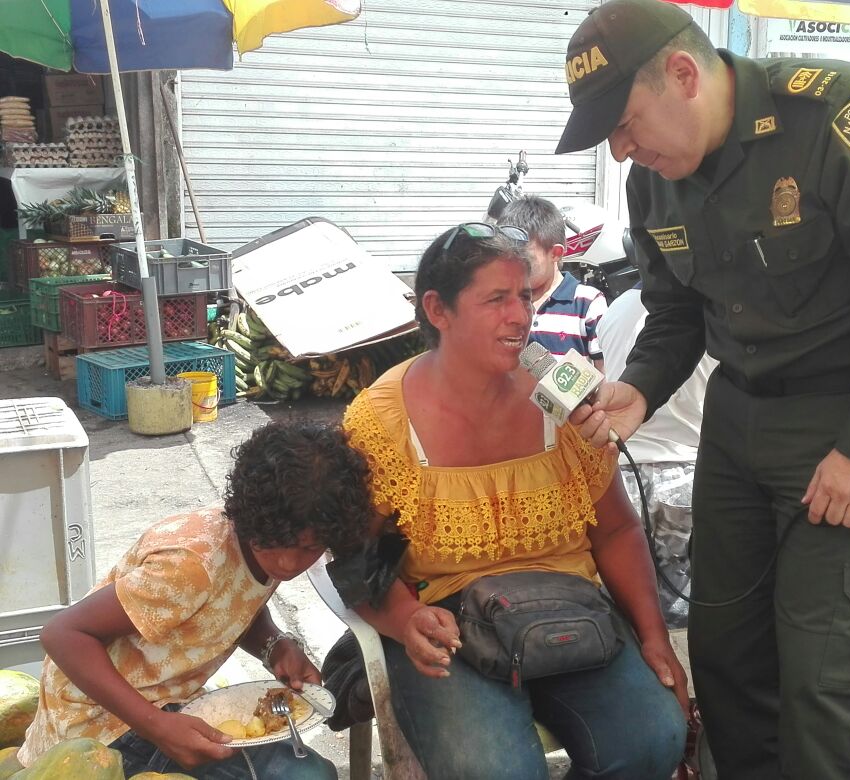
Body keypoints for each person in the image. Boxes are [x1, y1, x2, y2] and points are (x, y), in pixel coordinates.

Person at [555, 0, 850, 777]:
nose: (621, 147)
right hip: (738, 424)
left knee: (827, 684)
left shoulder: (835, 111)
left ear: (683, 74)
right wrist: (639, 389)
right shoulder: (654, 181)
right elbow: (676, 310)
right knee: (728, 662)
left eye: (625, 122)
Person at [338, 222, 687, 780]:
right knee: (495, 771)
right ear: (438, 309)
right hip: (447, 623)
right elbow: (356, 557)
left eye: (524, 296)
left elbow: (617, 530)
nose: (520, 316)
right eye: (496, 299)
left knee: (654, 740)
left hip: (568, 607)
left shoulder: (566, 390)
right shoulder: (383, 419)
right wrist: (405, 620)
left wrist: (653, 635)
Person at [17, 421, 375, 779]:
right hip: (98, 724)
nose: (287, 563)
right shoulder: (191, 565)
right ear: (253, 516)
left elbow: (232, 605)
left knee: (313, 773)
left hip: (168, 704)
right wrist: (157, 726)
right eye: (276, 543)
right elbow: (61, 634)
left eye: (309, 549)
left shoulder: (267, 540)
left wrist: (274, 645)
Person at [597, 283, 716, 628]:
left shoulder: (616, 307)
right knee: (683, 608)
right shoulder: (708, 309)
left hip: (624, 472)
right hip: (686, 471)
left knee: (627, 606)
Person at [499, 195, 608, 370]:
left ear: (555, 253)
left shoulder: (587, 303)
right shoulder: (499, 302)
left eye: (525, 259)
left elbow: (604, 374)